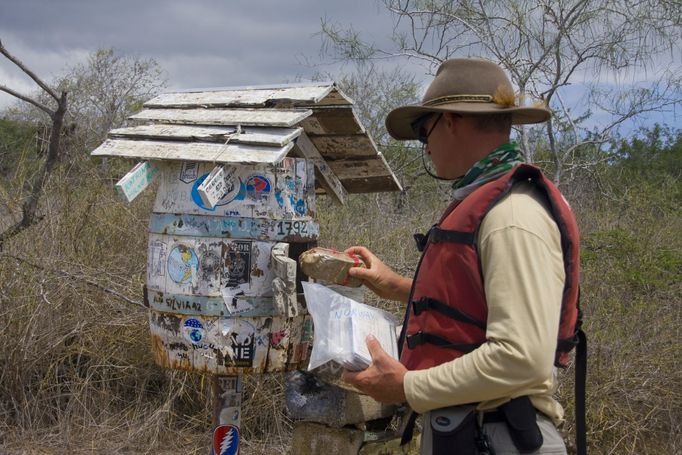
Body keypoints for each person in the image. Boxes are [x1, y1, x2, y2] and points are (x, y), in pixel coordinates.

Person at [342, 58, 581, 455]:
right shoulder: (491, 204)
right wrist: (396, 286)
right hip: (474, 434)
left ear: (450, 121)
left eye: (423, 130)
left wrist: (406, 386)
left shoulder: (511, 217)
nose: (426, 144)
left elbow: (521, 359)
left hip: (499, 437)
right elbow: (479, 305)